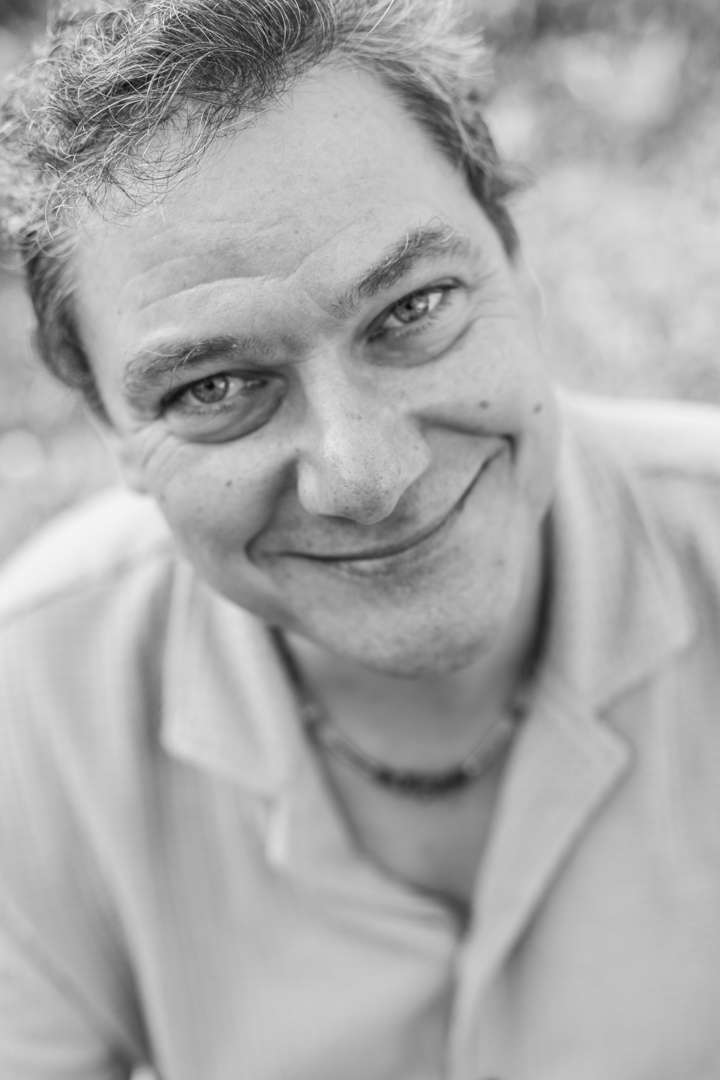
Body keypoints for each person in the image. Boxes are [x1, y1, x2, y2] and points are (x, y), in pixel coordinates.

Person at [0, 1, 719, 1077]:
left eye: (413, 310)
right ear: (113, 434)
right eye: (217, 387)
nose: (366, 476)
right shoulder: (33, 707)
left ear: (520, 270)